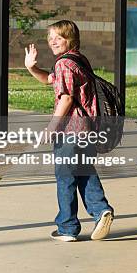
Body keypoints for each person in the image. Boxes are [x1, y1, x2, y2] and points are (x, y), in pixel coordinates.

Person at [24, 20, 114, 242]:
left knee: (65, 177)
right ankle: (101, 210)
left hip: (70, 130)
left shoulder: (64, 63)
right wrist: (31, 67)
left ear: (70, 39)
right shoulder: (78, 60)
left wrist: (51, 127)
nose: (53, 41)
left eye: (59, 38)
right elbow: (49, 80)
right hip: (86, 130)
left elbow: (66, 98)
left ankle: (67, 228)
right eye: (50, 38)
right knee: (83, 171)